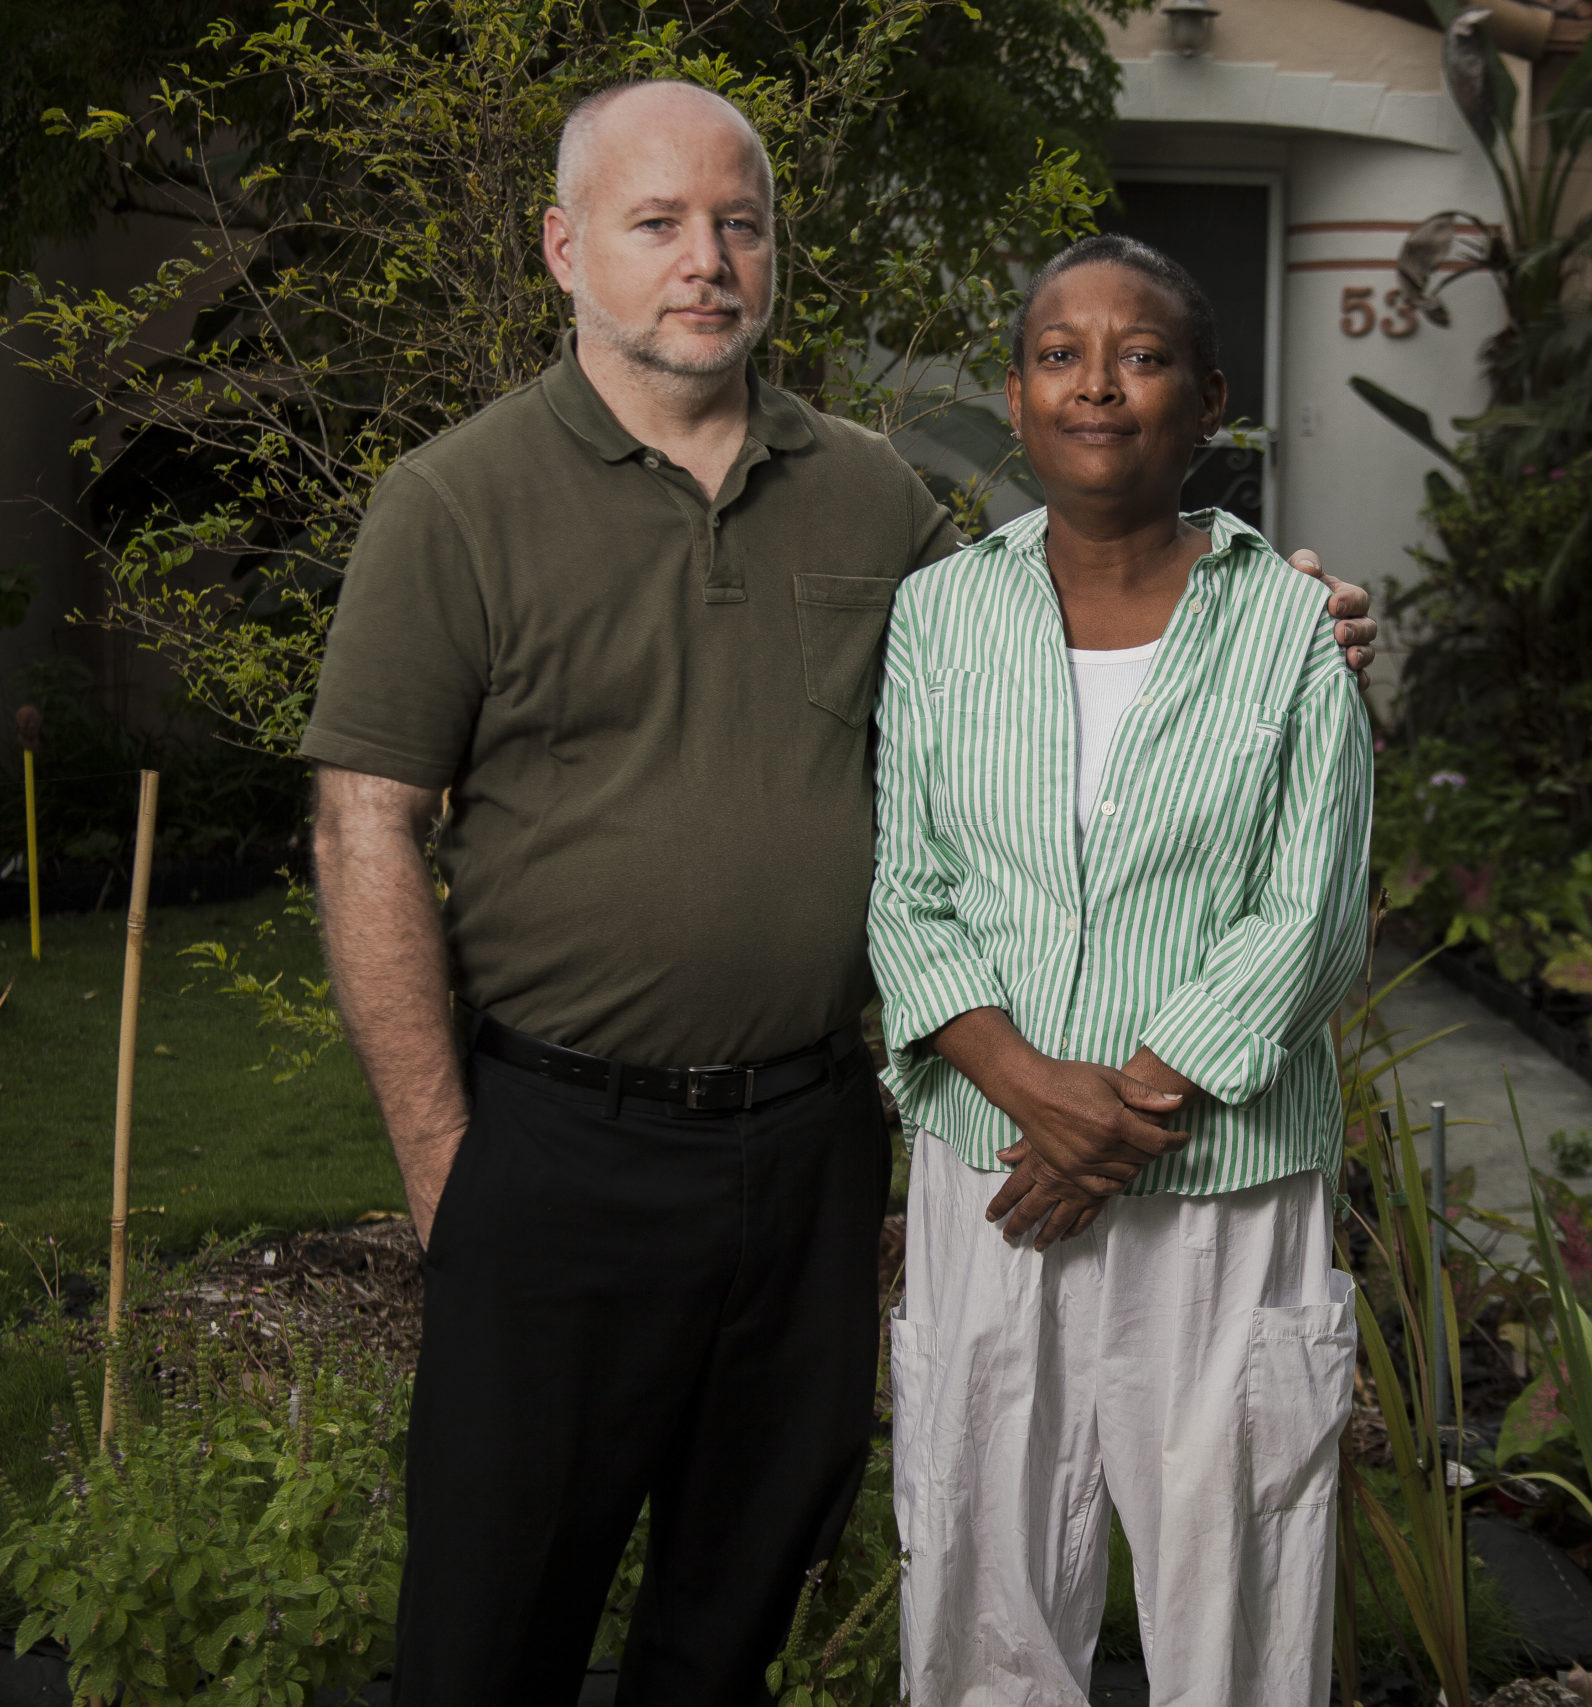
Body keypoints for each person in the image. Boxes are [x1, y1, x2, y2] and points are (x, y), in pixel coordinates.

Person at [297, 82, 1375, 1706]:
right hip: (561, 1150)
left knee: (731, 1613)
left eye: (738, 223)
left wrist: (1287, 605)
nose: (706, 260)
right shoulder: (456, 500)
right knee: (491, 1622)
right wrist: (449, 1169)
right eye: (658, 223)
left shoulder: (875, 501)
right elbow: (363, 830)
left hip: (806, 1155)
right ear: (565, 248)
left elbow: (1069, 628)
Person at [871, 233, 1374, 1707]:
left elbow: (1311, 912)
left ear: (1207, 399)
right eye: (1060, 355)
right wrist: (1036, 1096)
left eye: (1142, 356)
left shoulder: (1293, 627)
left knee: (1238, 1586)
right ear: (1018, 398)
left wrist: (1120, 1117)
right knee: (985, 1584)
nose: (1098, 385)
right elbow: (908, 893)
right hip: (995, 1178)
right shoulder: (941, 617)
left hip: (1224, 1182)